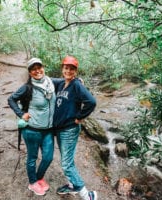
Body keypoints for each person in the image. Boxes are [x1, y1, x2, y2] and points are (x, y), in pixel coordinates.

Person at [8, 58, 56, 196]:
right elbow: (11, 99)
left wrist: (78, 82)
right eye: (33, 69)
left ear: (43, 68)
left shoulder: (50, 83)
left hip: (48, 130)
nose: (37, 71)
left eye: (39, 67)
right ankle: (33, 183)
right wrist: (21, 114)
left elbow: (67, 82)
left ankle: (39, 177)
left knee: (48, 157)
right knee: (32, 158)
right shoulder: (27, 88)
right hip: (32, 130)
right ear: (30, 72)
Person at [53, 56, 98, 200]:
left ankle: (88, 196)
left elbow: (91, 102)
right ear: (62, 69)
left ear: (75, 71)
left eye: (71, 69)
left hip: (69, 130)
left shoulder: (77, 85)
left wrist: (80, 117)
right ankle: (72, 185)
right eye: (66, 68)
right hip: (60, 129)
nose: (68, 70)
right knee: (67, 160)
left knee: (66, 164)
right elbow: (48, 80)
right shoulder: (61, 84)